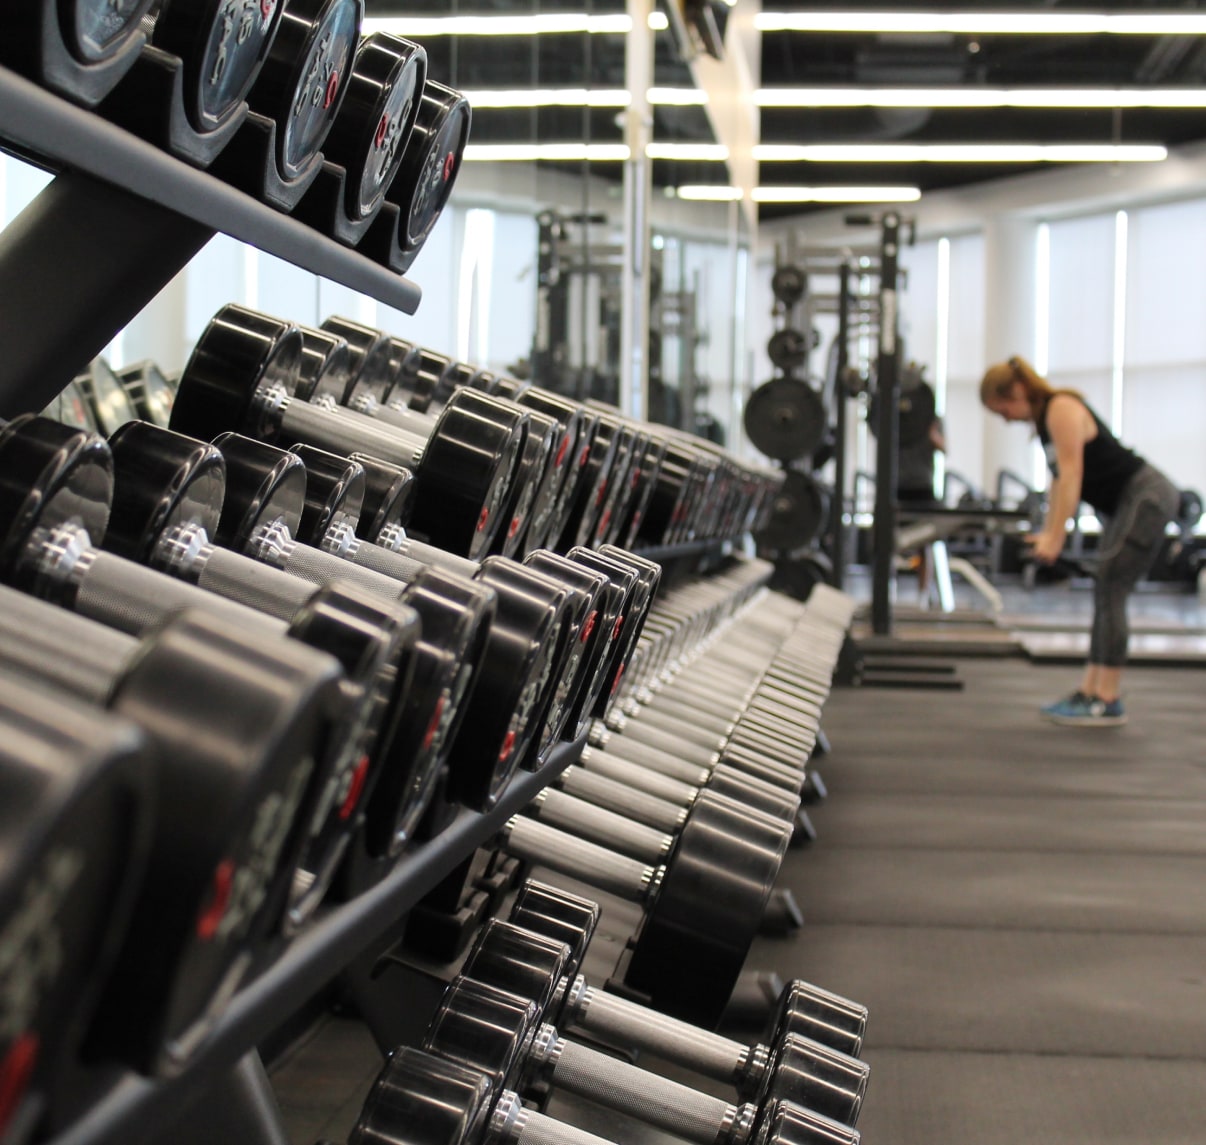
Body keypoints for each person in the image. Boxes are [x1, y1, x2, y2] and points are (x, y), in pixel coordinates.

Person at [980, 355, 1180, 726]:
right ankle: (1091, 690)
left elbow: (1073, 475)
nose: (1005, 417)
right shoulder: (1045, 424)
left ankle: (1107, 696)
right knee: (1105, 587)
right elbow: (1058, 483)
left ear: (1018, 390)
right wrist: (1050, 532)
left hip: (1146, 497)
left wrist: (1057, 537)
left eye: (1003, 408)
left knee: (1111, 585)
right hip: (1126, 503)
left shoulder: (1061, 407)